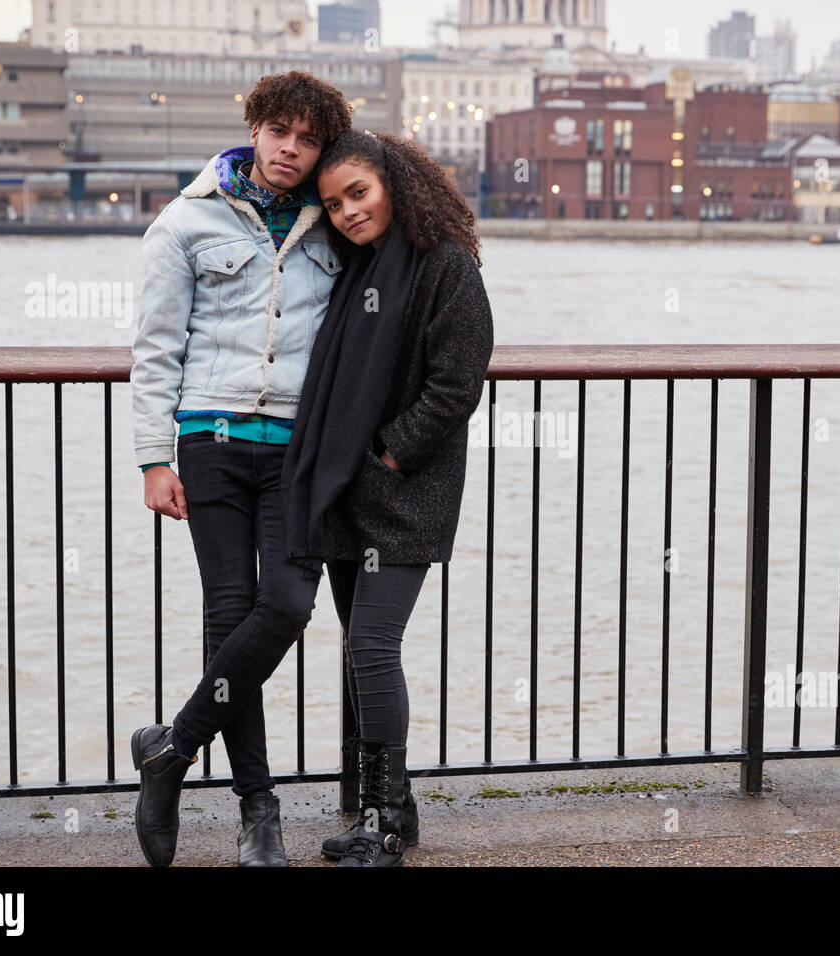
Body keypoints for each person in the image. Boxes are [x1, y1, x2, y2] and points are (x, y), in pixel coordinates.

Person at [128, 70, 352, 867]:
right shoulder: (185, 222)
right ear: (253, 128)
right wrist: (155, 457)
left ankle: (172, 751)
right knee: (231, 618)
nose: (292, 150)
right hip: (210, 443)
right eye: (280, 133)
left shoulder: (335, 227)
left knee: (285, 607)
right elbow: (155, 350)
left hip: (298, 452)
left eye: (309, 140)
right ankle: (260, 813)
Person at [279, 129, 494, 867]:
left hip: (406, 492)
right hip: (348, 490)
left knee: (372, 646)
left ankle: (381, 818)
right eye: (333, 203)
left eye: (358, 194)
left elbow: (458, 383)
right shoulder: (354, 268)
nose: (346, 213)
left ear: (396, 184)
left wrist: (390, 451)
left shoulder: (446, 266)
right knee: (360, 650)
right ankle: (393, 811)